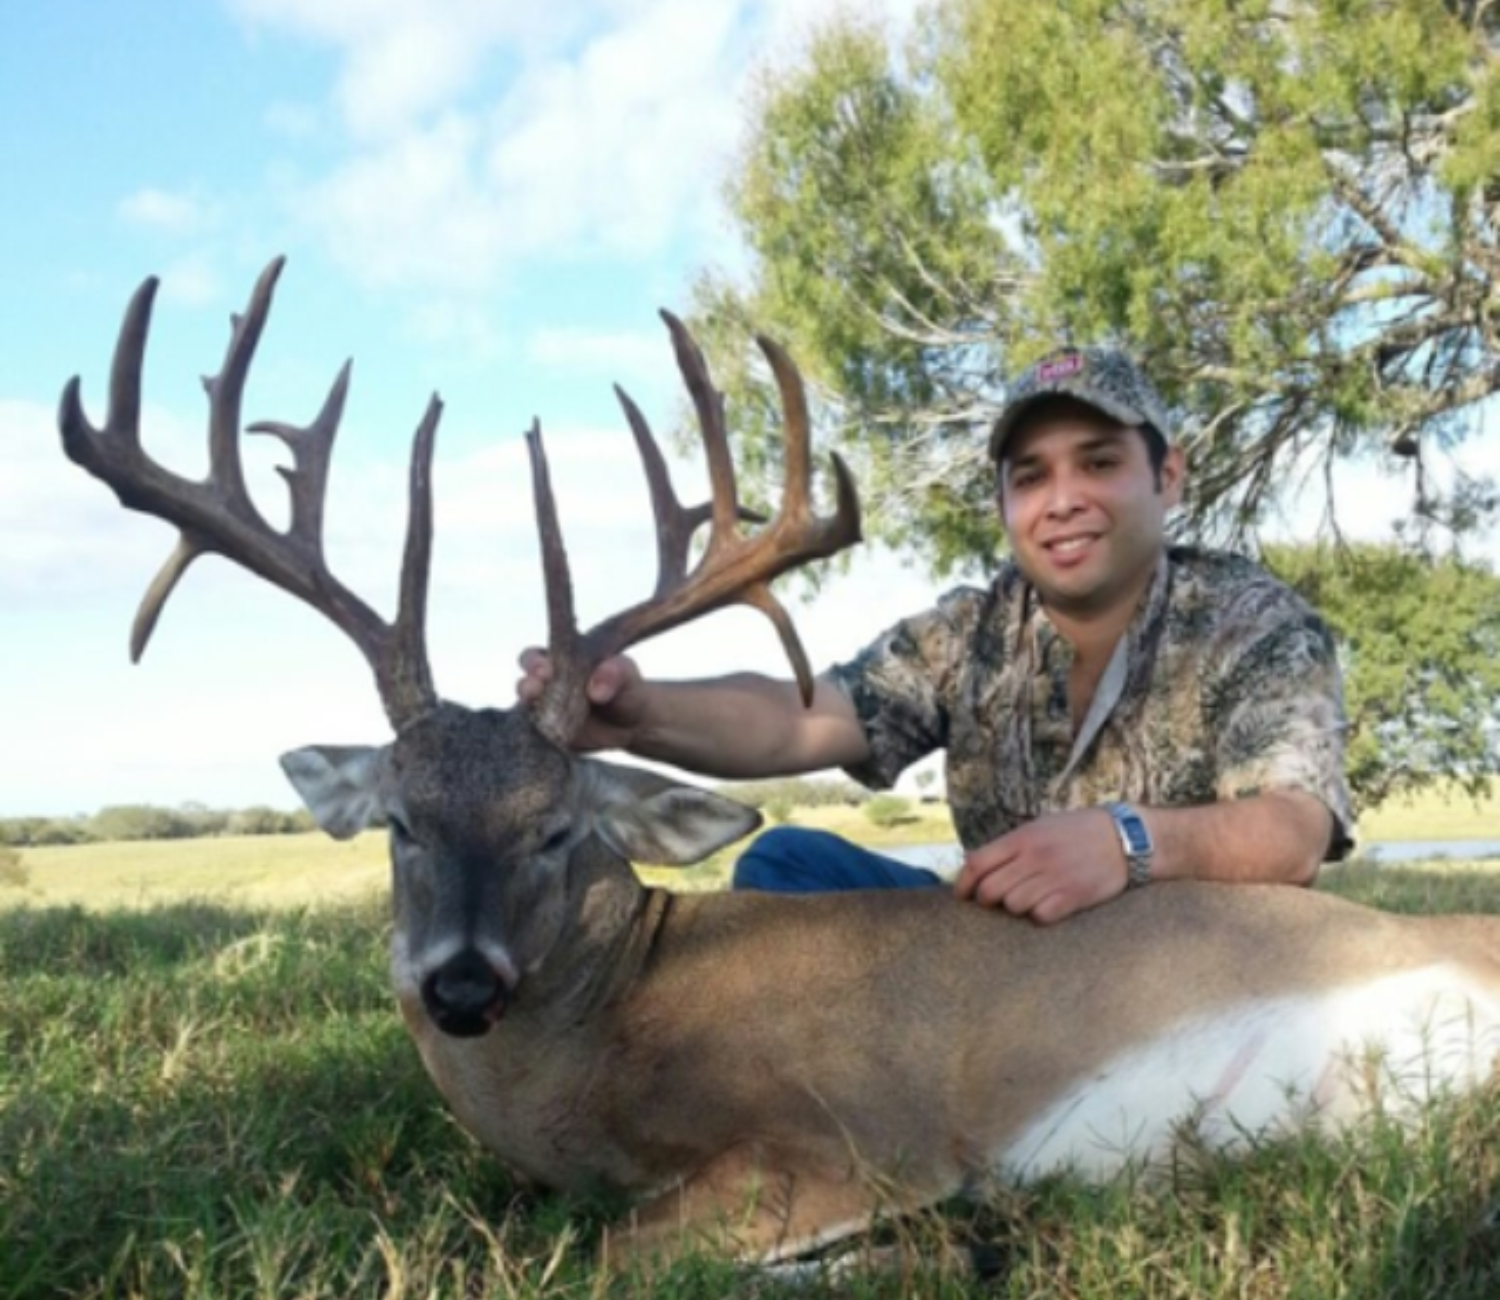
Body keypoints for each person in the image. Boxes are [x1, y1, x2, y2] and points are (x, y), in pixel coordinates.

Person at [518, 346, 1354, 924]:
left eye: (1098, 463)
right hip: (999, 949)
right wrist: (637, 714)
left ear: (1167, 476)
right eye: (1031, 476)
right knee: (784, 867)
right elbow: (806, 717)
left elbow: (1295, 831)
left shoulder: (1251, 624)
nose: (1061, 499)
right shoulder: (971, 630)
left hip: (1166, 963)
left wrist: (1128, 843)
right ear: (1004, 506)